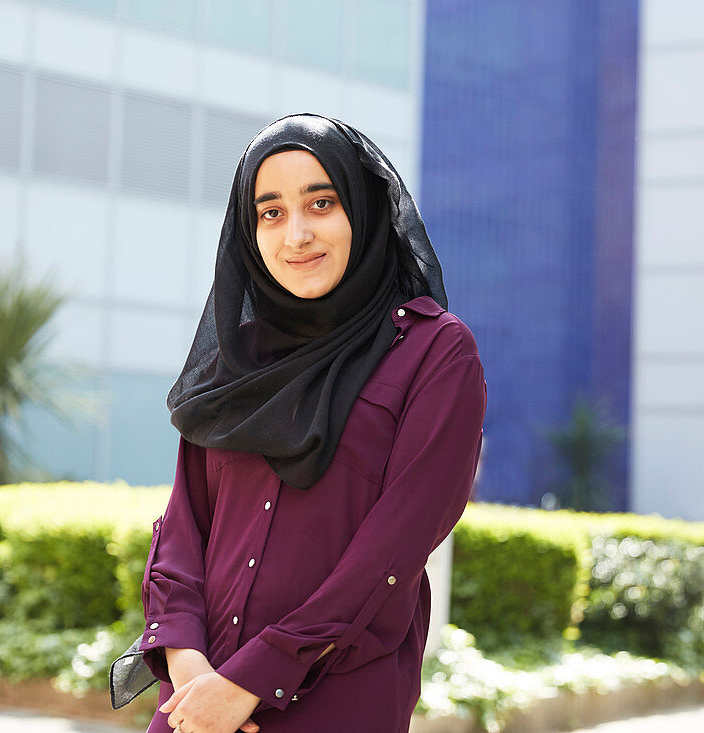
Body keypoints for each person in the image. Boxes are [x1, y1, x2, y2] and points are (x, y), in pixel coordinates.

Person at [110, 113, 486, 733]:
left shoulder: (434, 354)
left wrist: (250, 681)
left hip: (334, 696)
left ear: (362, 211)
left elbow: (391, 551)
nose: (297, 235)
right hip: (198, 704)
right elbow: (183, 526)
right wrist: (189, 664)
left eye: (321, 203)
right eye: (272, 212)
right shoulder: (241, 358)